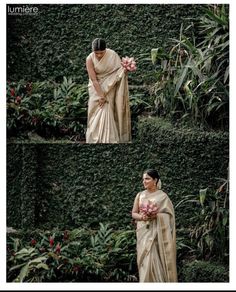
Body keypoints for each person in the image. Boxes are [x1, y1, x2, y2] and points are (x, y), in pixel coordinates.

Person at [132, 169, 178, 282]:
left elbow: (169, 215)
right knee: (144, 260)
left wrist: (156, 216)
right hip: (143, 232)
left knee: (154, 258)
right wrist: (142, 217)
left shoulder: (163, 196)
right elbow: (134, 213)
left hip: (158, 234)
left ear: (155, 180)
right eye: (143, 179)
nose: (144, 181)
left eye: (147, 179)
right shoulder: (140, 195)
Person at [85, 38, 131, 143]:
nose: (99, 55)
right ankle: (93, 139)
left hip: (110, 86)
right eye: (97, 53)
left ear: (106, 50)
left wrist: (125, 69)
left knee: (108, 110)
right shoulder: (89, 59)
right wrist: (101, 96)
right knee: (94, 111)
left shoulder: (112, 55)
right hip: (95, 87)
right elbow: (93, 79)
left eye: (102, 53)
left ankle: (109, 140)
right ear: (93, 51)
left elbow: (118, 71)